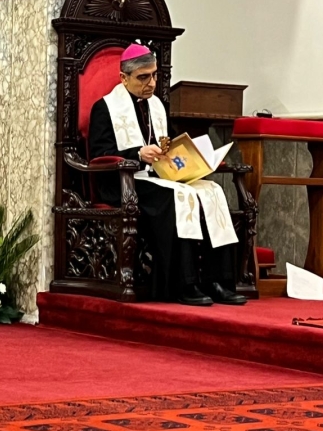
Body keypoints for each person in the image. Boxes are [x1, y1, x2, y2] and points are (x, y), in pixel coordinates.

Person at [88, 43, 246, 306]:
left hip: (159, 178)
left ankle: (218, 281)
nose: (151, 83)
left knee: (212, 192)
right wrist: (137, 153)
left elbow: (170, 144)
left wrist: (199, 158)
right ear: (124, 78)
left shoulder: (157, 106)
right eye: (143, 77)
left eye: (154, 75)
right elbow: (99, 153)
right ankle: (183, 284)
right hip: (124, 183)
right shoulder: (104, 108)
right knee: (178, 198)